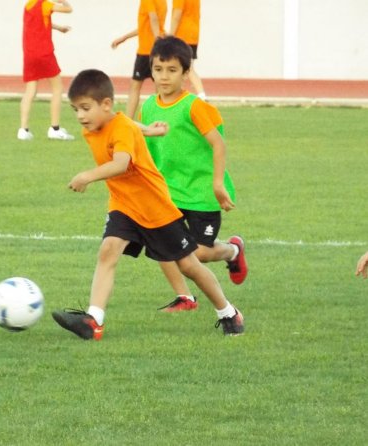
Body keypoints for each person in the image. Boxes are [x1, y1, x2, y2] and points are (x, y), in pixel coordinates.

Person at [51, 69, 244, 340]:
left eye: (85, 108)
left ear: (105, 104)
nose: (80, 116)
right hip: (124, 205)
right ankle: (94, 320)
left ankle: (228, 312)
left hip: (155, 209)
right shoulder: (103, 123)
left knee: (189, 266)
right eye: (75, 110)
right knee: (108, 250)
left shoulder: (116, 127)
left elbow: (121, 163)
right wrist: (149, 131)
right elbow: (127, 123)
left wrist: (87, 176)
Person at [140, 36, 247, 313]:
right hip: (169, 191)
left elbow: (218, 143)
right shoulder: (149, 106)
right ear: (151, 70)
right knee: (162, 243)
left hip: (201, 192)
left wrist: (217, 182)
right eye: (159, 69)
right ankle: (185, 298)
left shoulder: (194, 107)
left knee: (198, 252)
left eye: (172, 70)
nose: (164, 77)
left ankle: (233, 251)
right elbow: (150, 150)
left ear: (186, 74)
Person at [17, 0, 75, 141]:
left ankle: (23, 130)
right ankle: (54, 128)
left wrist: (58, 28)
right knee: (57, 88)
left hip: (29, 54)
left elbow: (39, 23)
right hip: (44, 53)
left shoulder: (29, 5)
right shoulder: (46, 5)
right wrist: (62, 1)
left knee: (30, 90)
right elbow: (69, 9)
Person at [111, 0, 167, 119]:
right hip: (159, 50)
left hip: (146, 51)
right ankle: (160, 118)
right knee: (159, 86)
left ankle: (128, 121)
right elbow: (145, 26)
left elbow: (153, 19)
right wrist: (124, 37)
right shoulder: (163, 2)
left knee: (135, 86)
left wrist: (157, 40)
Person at [169, 0, 205, 99]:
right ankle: (201, 95)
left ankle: (200, 96)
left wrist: (170, 36)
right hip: (193, 35)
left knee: (180, 68)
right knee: (188, 68)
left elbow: (177, 15)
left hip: (182, 35)